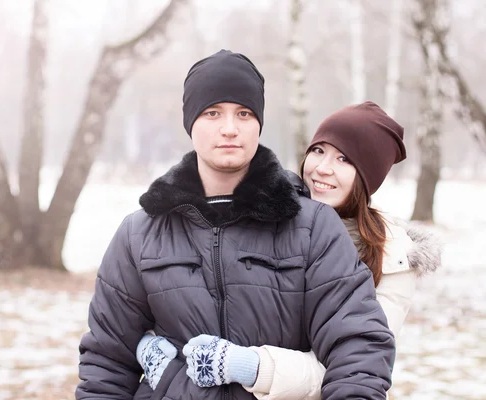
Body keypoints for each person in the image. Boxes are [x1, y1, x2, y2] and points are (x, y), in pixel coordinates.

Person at [75, 50, 395, 400]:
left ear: (258, 123)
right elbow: (106, 364)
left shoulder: (313, 227)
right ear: (190, 123)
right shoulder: (139, 235)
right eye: (213, 113)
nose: (229, 129)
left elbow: (358, 347)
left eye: (243, 114)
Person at [136, 101, 442, 399]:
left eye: (344, 160)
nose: (323, 169)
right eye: (319, 151)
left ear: (367, 177)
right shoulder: (267, 212)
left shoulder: (393, 258)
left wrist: (250, 365)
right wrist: (154, 347)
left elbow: (354, 365)